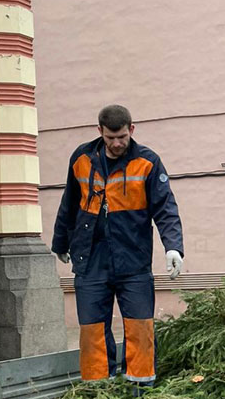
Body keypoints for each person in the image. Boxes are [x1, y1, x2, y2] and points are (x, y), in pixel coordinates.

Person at [51, 104, 184, 383]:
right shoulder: (82, 158)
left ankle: (141, 389)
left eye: (122, 136)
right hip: (90, 257)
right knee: (92, 329)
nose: (117, 143)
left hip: (132, 259)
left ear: (131, 130)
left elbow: (165, 208)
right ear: (99, 131)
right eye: (111, 138)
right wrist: (60, 242)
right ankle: (98, 391)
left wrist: (173, 246)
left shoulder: (147, 162)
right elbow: (70, 203)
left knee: (139, 328)